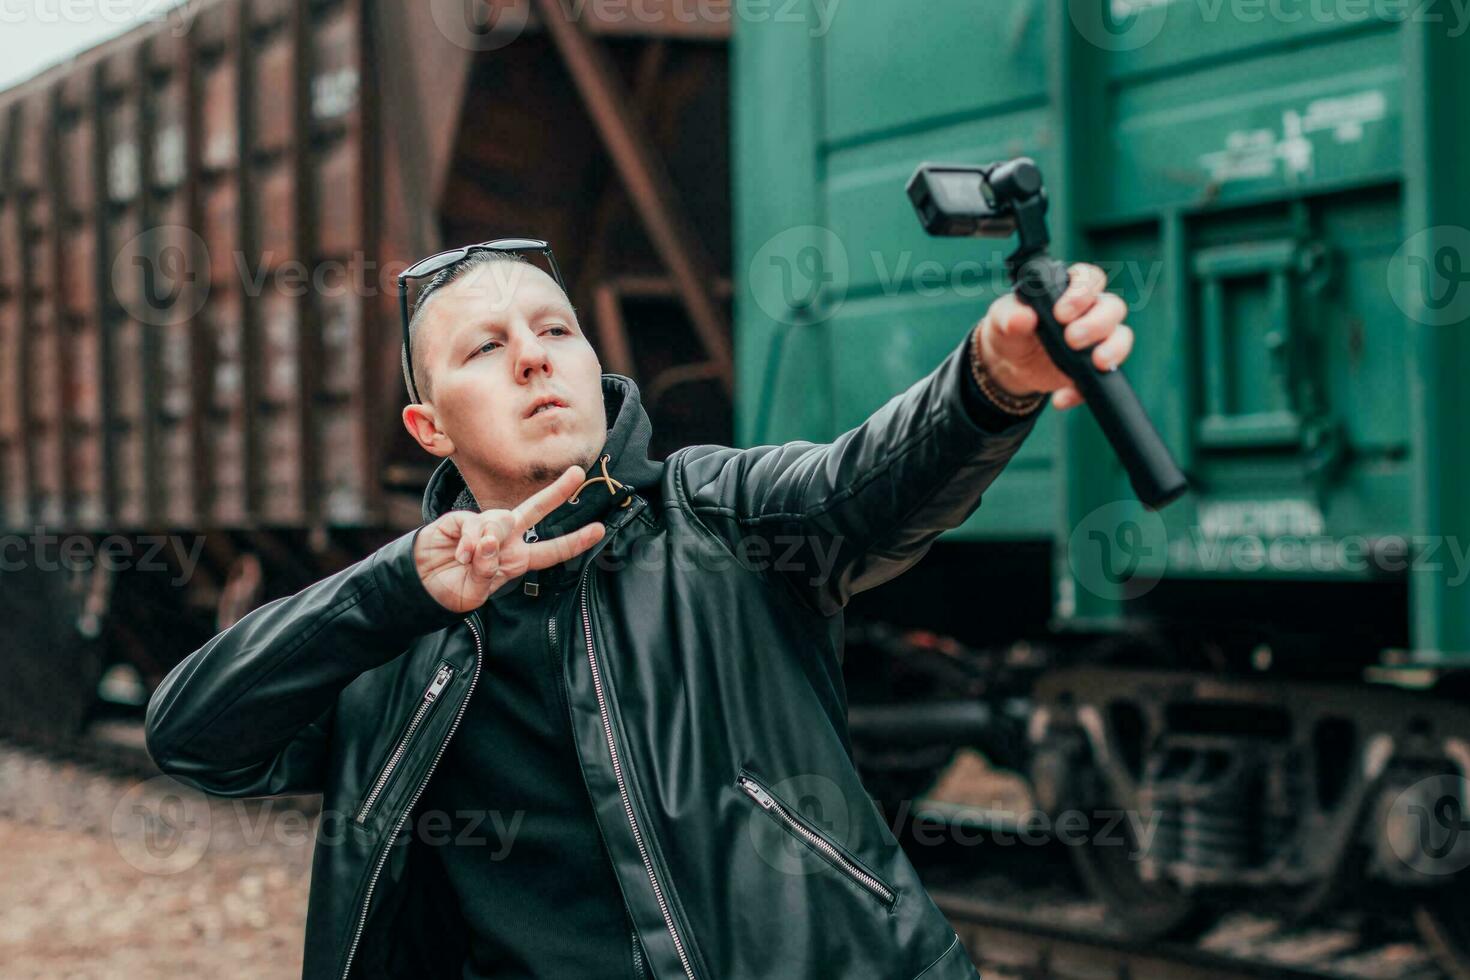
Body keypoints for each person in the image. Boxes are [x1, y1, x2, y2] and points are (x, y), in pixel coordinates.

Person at [145, 245, 1134, 980]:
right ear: (429, 425)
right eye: (485, 346)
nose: (534, 358)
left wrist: (992, 381)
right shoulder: (389, 634)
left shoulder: (719, 513)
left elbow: (864, 485)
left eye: (556, 329)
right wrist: (390, 589)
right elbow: (193, 734)